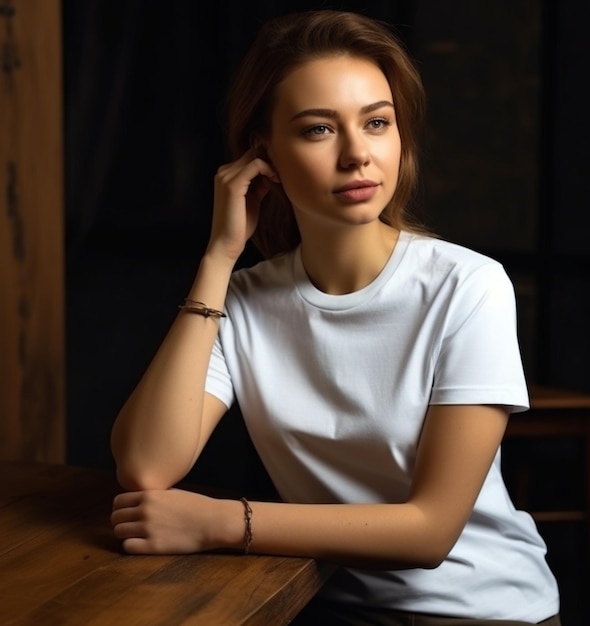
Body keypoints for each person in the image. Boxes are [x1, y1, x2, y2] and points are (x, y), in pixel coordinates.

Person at [109, 9, 561, 625]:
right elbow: (146, 465)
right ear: (262, 154)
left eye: (377, 123)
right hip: (317, 604)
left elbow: (430, 532)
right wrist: (219, 256)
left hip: (481, 612)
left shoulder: (468, 286)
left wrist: (223, 521)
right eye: (319, 130)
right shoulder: (243, 298)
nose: (357, 155)